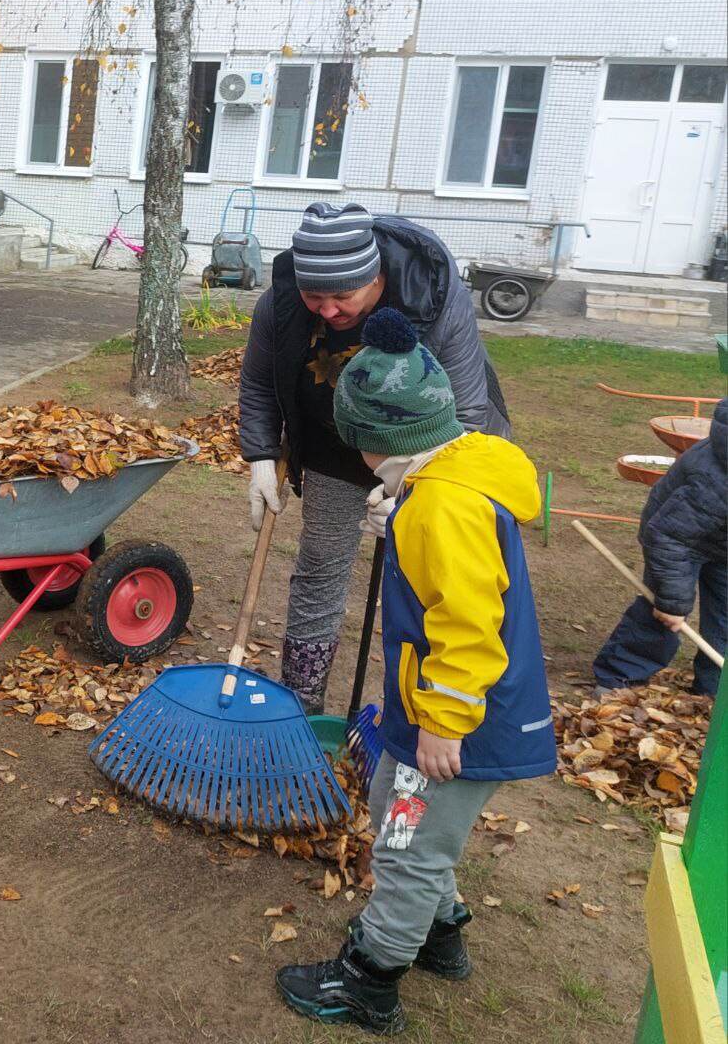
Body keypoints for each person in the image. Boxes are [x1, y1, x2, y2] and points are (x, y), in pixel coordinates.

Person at [275, 309, 555, 1035]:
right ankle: (441, 931)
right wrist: (400, 515)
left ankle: (370, 980)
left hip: (460, 722)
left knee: (405, 842)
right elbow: (446, 576)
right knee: (394, 812)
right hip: (434, 709)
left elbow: (467, 624)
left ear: (376, 441)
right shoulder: (447, 478)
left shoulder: (446, 508)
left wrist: (441, 723)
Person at [239, 201, 510, 711]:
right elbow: (257, 381)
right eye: (313, 296)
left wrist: (415, 486)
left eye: (343, 296)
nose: (327, 311)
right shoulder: (280, 302)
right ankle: (302, 703)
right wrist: (258, 456)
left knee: (429, 579)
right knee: (321, 566)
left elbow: (468, 405)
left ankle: (428, 715)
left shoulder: (432, 293)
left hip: (425, 453)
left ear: (376, 276)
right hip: (332, 448)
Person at [593, 397, 726, 698]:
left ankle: (715, 692)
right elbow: (669, 537)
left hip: (722, 541)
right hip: (676, 539)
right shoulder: (716, 480)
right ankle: (619, 678)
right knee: (661, 612)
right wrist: (673, 602)